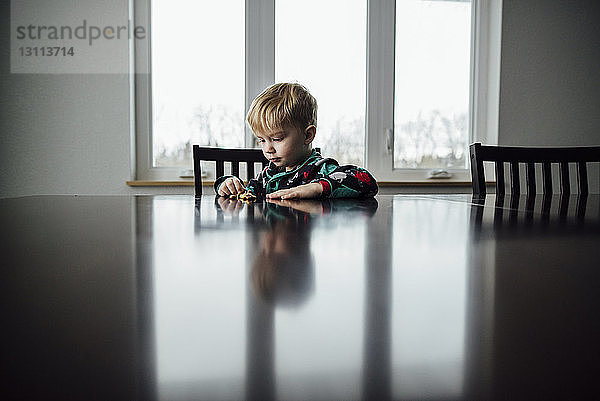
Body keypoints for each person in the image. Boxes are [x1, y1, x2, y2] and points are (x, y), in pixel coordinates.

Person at [214, 83, 378, 199]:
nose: (268, 149)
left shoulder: (320, 169)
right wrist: (227, 184)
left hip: (298, 240)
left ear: (307, 136)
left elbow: (366, 181)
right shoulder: (271, 173)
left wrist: (316, 187)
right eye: (262, 141)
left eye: (277, 139)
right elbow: (249, 190)